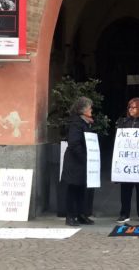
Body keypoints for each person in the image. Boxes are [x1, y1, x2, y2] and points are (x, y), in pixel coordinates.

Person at [62, 96, 96, 226]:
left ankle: (81, 214)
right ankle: (70, 216)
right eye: (89, 108)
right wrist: (85, 157)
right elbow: (74, 144)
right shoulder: (76, 123)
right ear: (83, 110)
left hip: (82, 162)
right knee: (73, 188)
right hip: (75, 162)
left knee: (82, 188)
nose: (91, 110)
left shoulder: (85, 122)